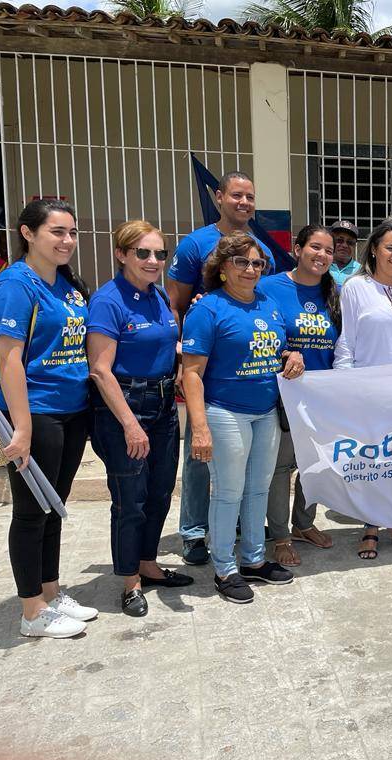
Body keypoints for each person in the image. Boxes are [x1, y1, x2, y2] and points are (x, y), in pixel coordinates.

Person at [0, 199, 98, 638]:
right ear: (27, 233)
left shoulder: (67, 284)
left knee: (54, 506)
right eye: (57, 232)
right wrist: (22, 427)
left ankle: (50, 593)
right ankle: (31, 611)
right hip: (36, 411)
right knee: (31, 512)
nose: (67, 240)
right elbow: (9, 359)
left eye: (72, 232)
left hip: (72, 410)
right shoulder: (16, 284)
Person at [181, 232, 305, 604]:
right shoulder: (207, 309)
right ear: (222, 267)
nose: (250, 269)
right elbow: (191, 373)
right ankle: (224, 569)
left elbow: (279, 346)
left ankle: (253, 559)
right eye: (241, 262)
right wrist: (199, 428)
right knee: (229, 492)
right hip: (225, 412)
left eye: (257, 263)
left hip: (265, 412)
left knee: (258, 488)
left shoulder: (268, 304)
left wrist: (292, 355)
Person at [87, 220, 193, 617]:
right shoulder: (108, 300)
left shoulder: (159, 294)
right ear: (121, 254)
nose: (153, 261)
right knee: (130, 499)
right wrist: (130, 424)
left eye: (160, 253)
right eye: (142, 253)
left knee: (161, 490)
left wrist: (178, 367)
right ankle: (130, 581)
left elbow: (167, 342)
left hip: (163, 405)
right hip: (125, 407)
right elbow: (100, 370)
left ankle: (148, 564)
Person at [165, 171, 269, 568]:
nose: (244, 202)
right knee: (200, 452)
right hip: (203, 363)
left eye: (250, 197)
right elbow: (176, 303)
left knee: (243, 467)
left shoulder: (261, 248)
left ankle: (237, 527)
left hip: (243, 364)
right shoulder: (195, 243)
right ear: (219, 197)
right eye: (236, 195)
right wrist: (182, 360)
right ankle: (194, 531)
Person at [335, 221, 392, 560]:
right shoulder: (356, 287)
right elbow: (347, 339)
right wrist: (345, 384)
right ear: (374, 249)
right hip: (370, 389)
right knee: (373, 461)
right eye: (389, 247)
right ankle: (371, 526)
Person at [259, 225, 340, 566]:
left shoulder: (335, 292)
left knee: (316, 465)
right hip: (284, 395)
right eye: (315, 247)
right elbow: (257, 333)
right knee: (281, 468)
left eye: (328, 250)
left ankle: (304, 524)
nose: (322, 255)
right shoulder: (269, 287)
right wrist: (285, 354)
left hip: (323, 396)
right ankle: (280, 536)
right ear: (297, 249)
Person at [329, 219, 360, 288]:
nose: (344, 245)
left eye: (350, 242)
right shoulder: (322, 265)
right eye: (339, 240)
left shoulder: (361, 272)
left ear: (355, 246)